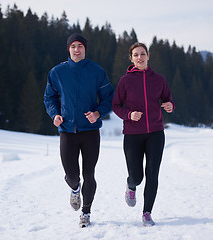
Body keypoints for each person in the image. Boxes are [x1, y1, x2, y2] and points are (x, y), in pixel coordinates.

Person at [43, 33, 114, 228]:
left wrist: (98, 113)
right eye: (73, 46)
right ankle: (75, 189)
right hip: (67, 130)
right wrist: (54, 115)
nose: (77, 49)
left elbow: (109, 97)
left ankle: (86, 212)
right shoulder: (57, 72)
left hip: (90, 131)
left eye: (80, 46)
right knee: (72, 175)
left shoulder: (96, 71)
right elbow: (49, 98)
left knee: (89, 174)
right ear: (68, 49)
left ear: (85, 49)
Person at [112, 42, 174, 227]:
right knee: (137, 176)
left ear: (148, 56)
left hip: (156, 132)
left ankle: (147, 213)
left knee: (153, 173)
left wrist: (170, 105)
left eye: (143, 54)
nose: (140, 57)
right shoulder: (125, 81)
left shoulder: (159, 79)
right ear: (131, 59)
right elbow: (116, 106)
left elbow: (167, 99)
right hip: (133, 134)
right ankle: (131, 185)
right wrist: (129, 115)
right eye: (136, 55)